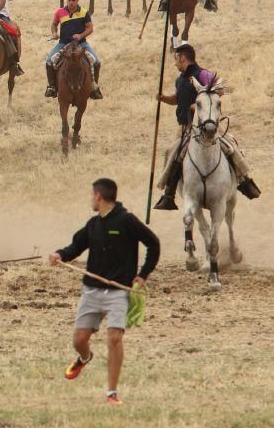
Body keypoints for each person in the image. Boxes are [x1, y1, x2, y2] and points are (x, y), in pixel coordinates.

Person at [49, 178, 160, 405]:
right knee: (79, 340)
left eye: (92, 195)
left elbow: (153, 243)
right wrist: (60, 254)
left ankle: (111, 393)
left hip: (119, 292)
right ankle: (85, 357)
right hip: (92, 290)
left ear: (98, 196)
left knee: (115, 339)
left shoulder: (127, 221)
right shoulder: (93, 224)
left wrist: (143, 274)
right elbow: (75, 247)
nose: (91, 199)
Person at [153, 44, 259, 210]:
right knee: (173, 153)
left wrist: (201, 103)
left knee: (230, 145)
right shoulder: (180, 79)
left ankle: (245, 180)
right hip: (184, 127)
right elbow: (177, 99)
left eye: (176, 59)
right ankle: (169, 194)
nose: (175, 63)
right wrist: (163, 98)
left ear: (183, 57)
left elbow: (220, 90)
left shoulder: (202, 74)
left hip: (206, 124)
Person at [45, 0, 102, 100]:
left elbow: (90, 28)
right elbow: (54, 24)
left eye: (73, 0)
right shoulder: (59, 12)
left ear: (78, 0)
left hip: (81, 44)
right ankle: (52, 87)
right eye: (69, 0)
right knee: (49, 62)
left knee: (97, 62)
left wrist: (80, 36)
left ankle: (93, 87)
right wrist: (54, 33)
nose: (71, 2)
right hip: (63, 43)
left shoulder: (84, 12)